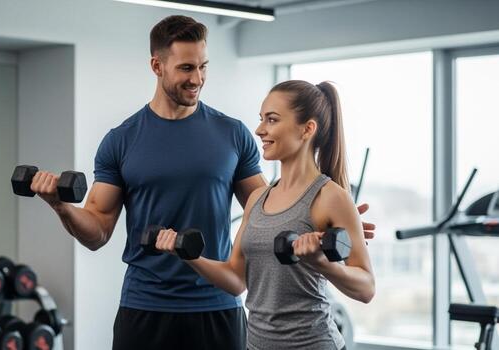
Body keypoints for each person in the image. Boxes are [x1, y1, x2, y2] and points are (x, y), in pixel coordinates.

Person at [29, 16, 375, 350]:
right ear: (157, 66)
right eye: (186, 68)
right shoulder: (121, 141)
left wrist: (332, 221)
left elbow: (267, 208)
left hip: (218, 305)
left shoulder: (232, 134)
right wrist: (60, 206)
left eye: (203, 66)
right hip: (145, 305)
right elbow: (97, 231)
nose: (197, 78)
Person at [155, 80, 376, 350]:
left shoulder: (331, 197)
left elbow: (366, 288)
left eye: (272, 120)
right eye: (261, 119)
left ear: (307, 129)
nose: (260, 130)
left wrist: (323, 264)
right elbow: (236, 280)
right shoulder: (258, 198)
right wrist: (189, 256)